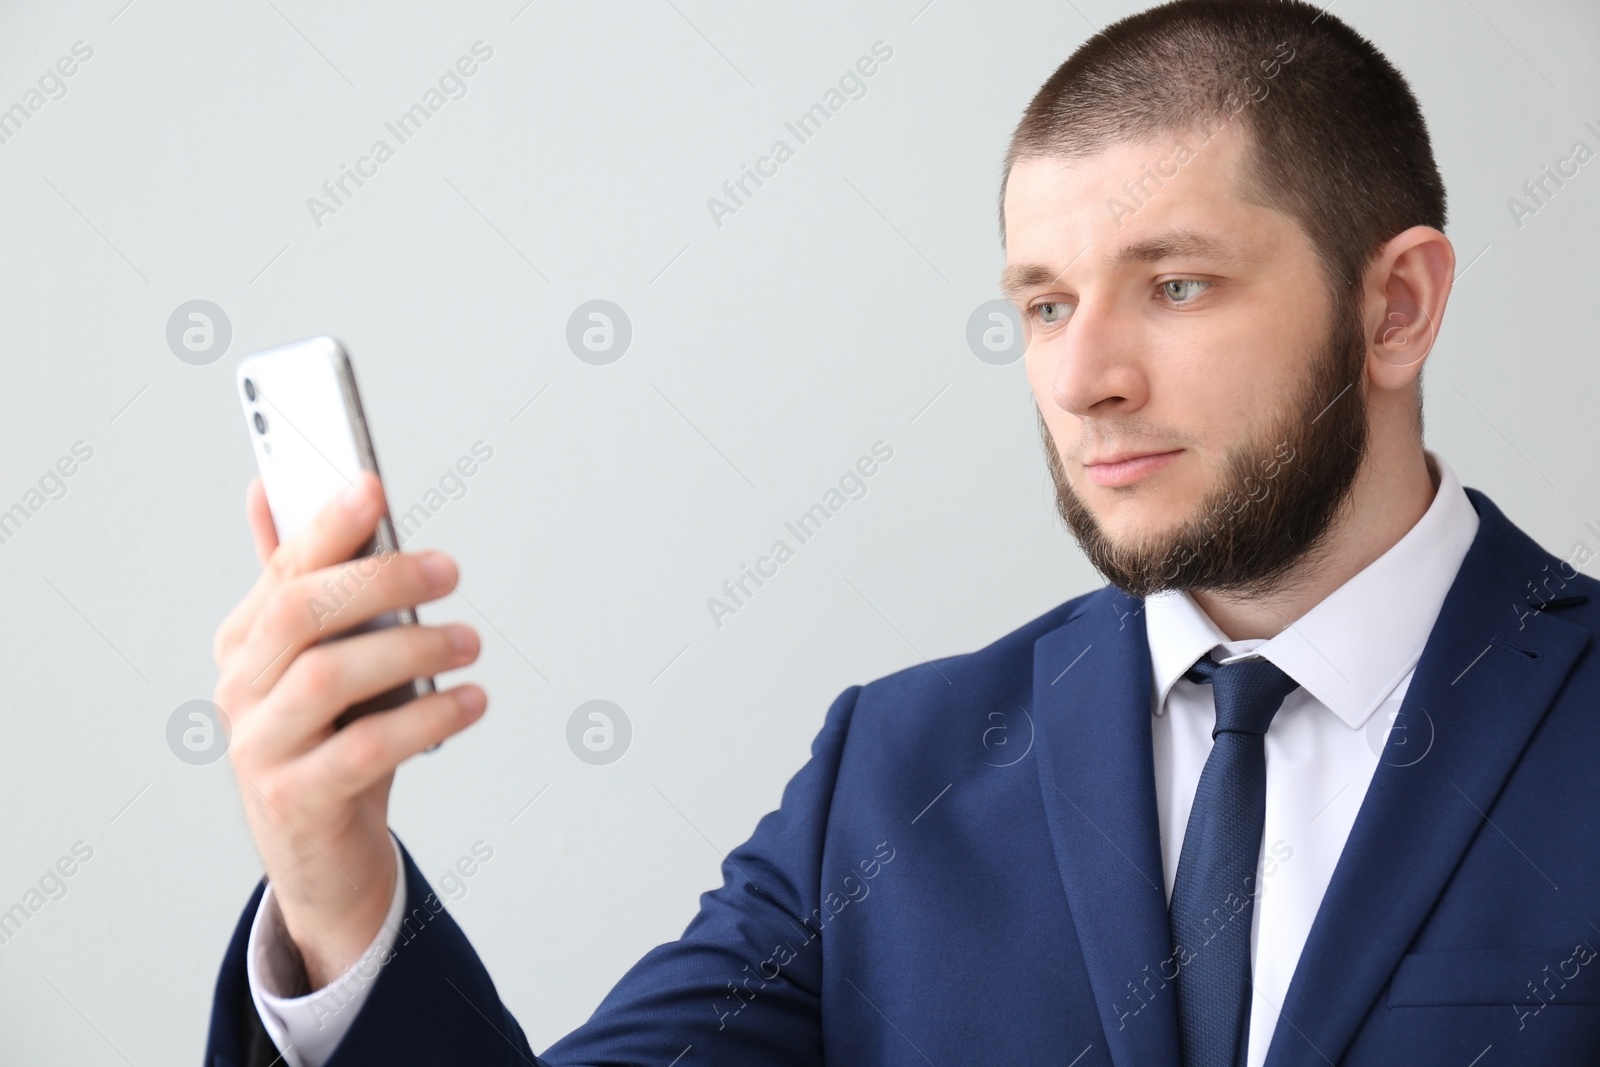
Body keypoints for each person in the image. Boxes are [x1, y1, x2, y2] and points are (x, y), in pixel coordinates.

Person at [204, 1, 1600, 1064]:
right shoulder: (891, 777)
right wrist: (337, 894)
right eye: (1045, 304)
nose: (1081, 377)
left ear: (1397, 308)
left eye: (1174, 286)